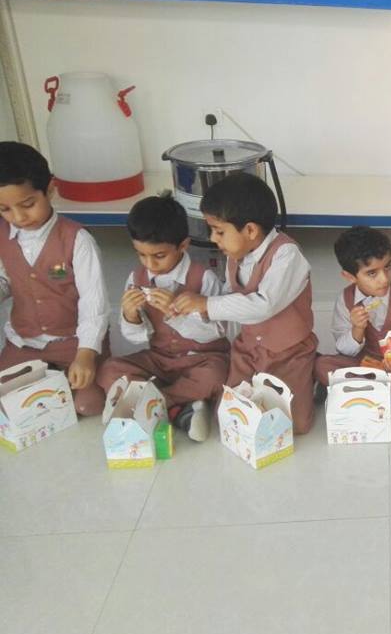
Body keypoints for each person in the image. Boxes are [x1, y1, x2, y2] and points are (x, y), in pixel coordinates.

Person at [172, 173, 317, 434]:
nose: (213, 238)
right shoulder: (234, 256)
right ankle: (191, 409)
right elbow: (231, 302)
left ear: (250, 230)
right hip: (248, 350)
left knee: (294, 425)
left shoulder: (287, 255)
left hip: (288, 353)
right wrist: (189, 312)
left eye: (219, 231)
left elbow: (263, 306)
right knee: (231, 416)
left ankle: (311, 379)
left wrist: (206, 304)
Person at [97, 194, 229, 441]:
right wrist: (130, 315)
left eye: (159, 256)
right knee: (109, 370)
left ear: (183, 245)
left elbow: (215, 332)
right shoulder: (136, 278)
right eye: (141, 255)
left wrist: (175, 313)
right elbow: (136, 338)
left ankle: (151, 403)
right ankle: (182, 408)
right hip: (160, 359)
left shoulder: (203, 278)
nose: (150, 264)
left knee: (216, 376)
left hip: (202, 358)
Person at [0, 141, 109, 415]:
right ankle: (49, 378)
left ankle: (57, 377)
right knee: (8, 403)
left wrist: (86, 353)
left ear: (50, 189)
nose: (18, 217)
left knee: (88, 405)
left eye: (28, 204)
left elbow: (93, 303)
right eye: (4, 209)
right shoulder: (2, 235)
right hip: (25, 341)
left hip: (72, 341)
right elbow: (7, 279)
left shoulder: (77, 240)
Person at [314, 226, 391, 421]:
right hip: (363, 363)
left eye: (388, 267)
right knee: (321, 365)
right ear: (350, 276)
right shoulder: (345, 300)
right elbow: (344, 349)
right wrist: (356, 330)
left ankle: (355, 392)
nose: (384, 279)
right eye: (371, 273)